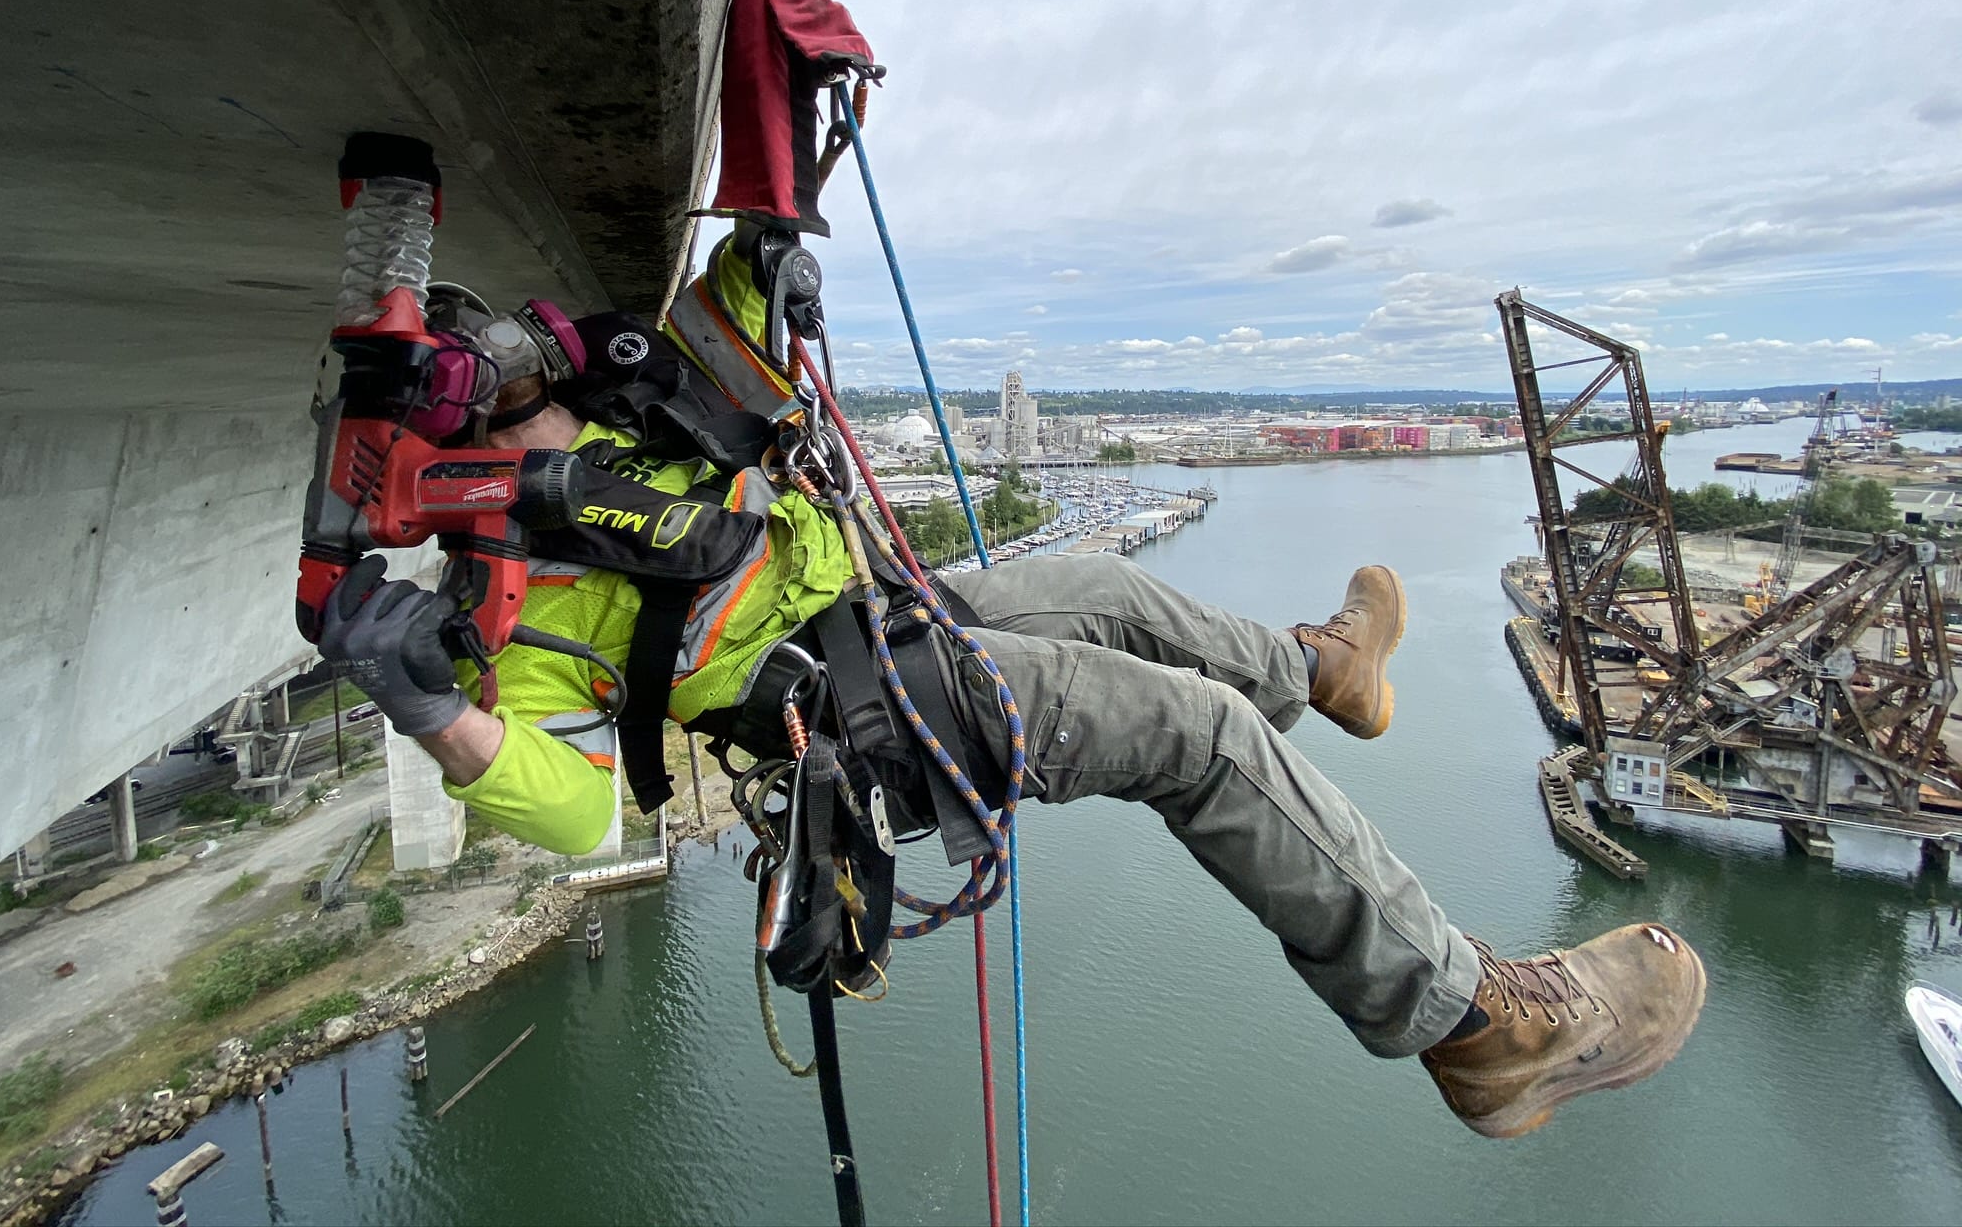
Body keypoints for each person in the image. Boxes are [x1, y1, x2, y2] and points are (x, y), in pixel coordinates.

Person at [321, 230, 1707, 1141]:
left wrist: (768, 243)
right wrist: (442, 716)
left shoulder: (638, 408)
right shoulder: (523, 615)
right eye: (510, 407)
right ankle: (1473, 1025)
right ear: (477, 463)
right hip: (848, 718)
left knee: (1107, 590)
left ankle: (1321, 670)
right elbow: (574, 821)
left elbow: (725, 316)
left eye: (527, 381)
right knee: (1198, 740)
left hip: (870, 616)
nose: (550, 411)